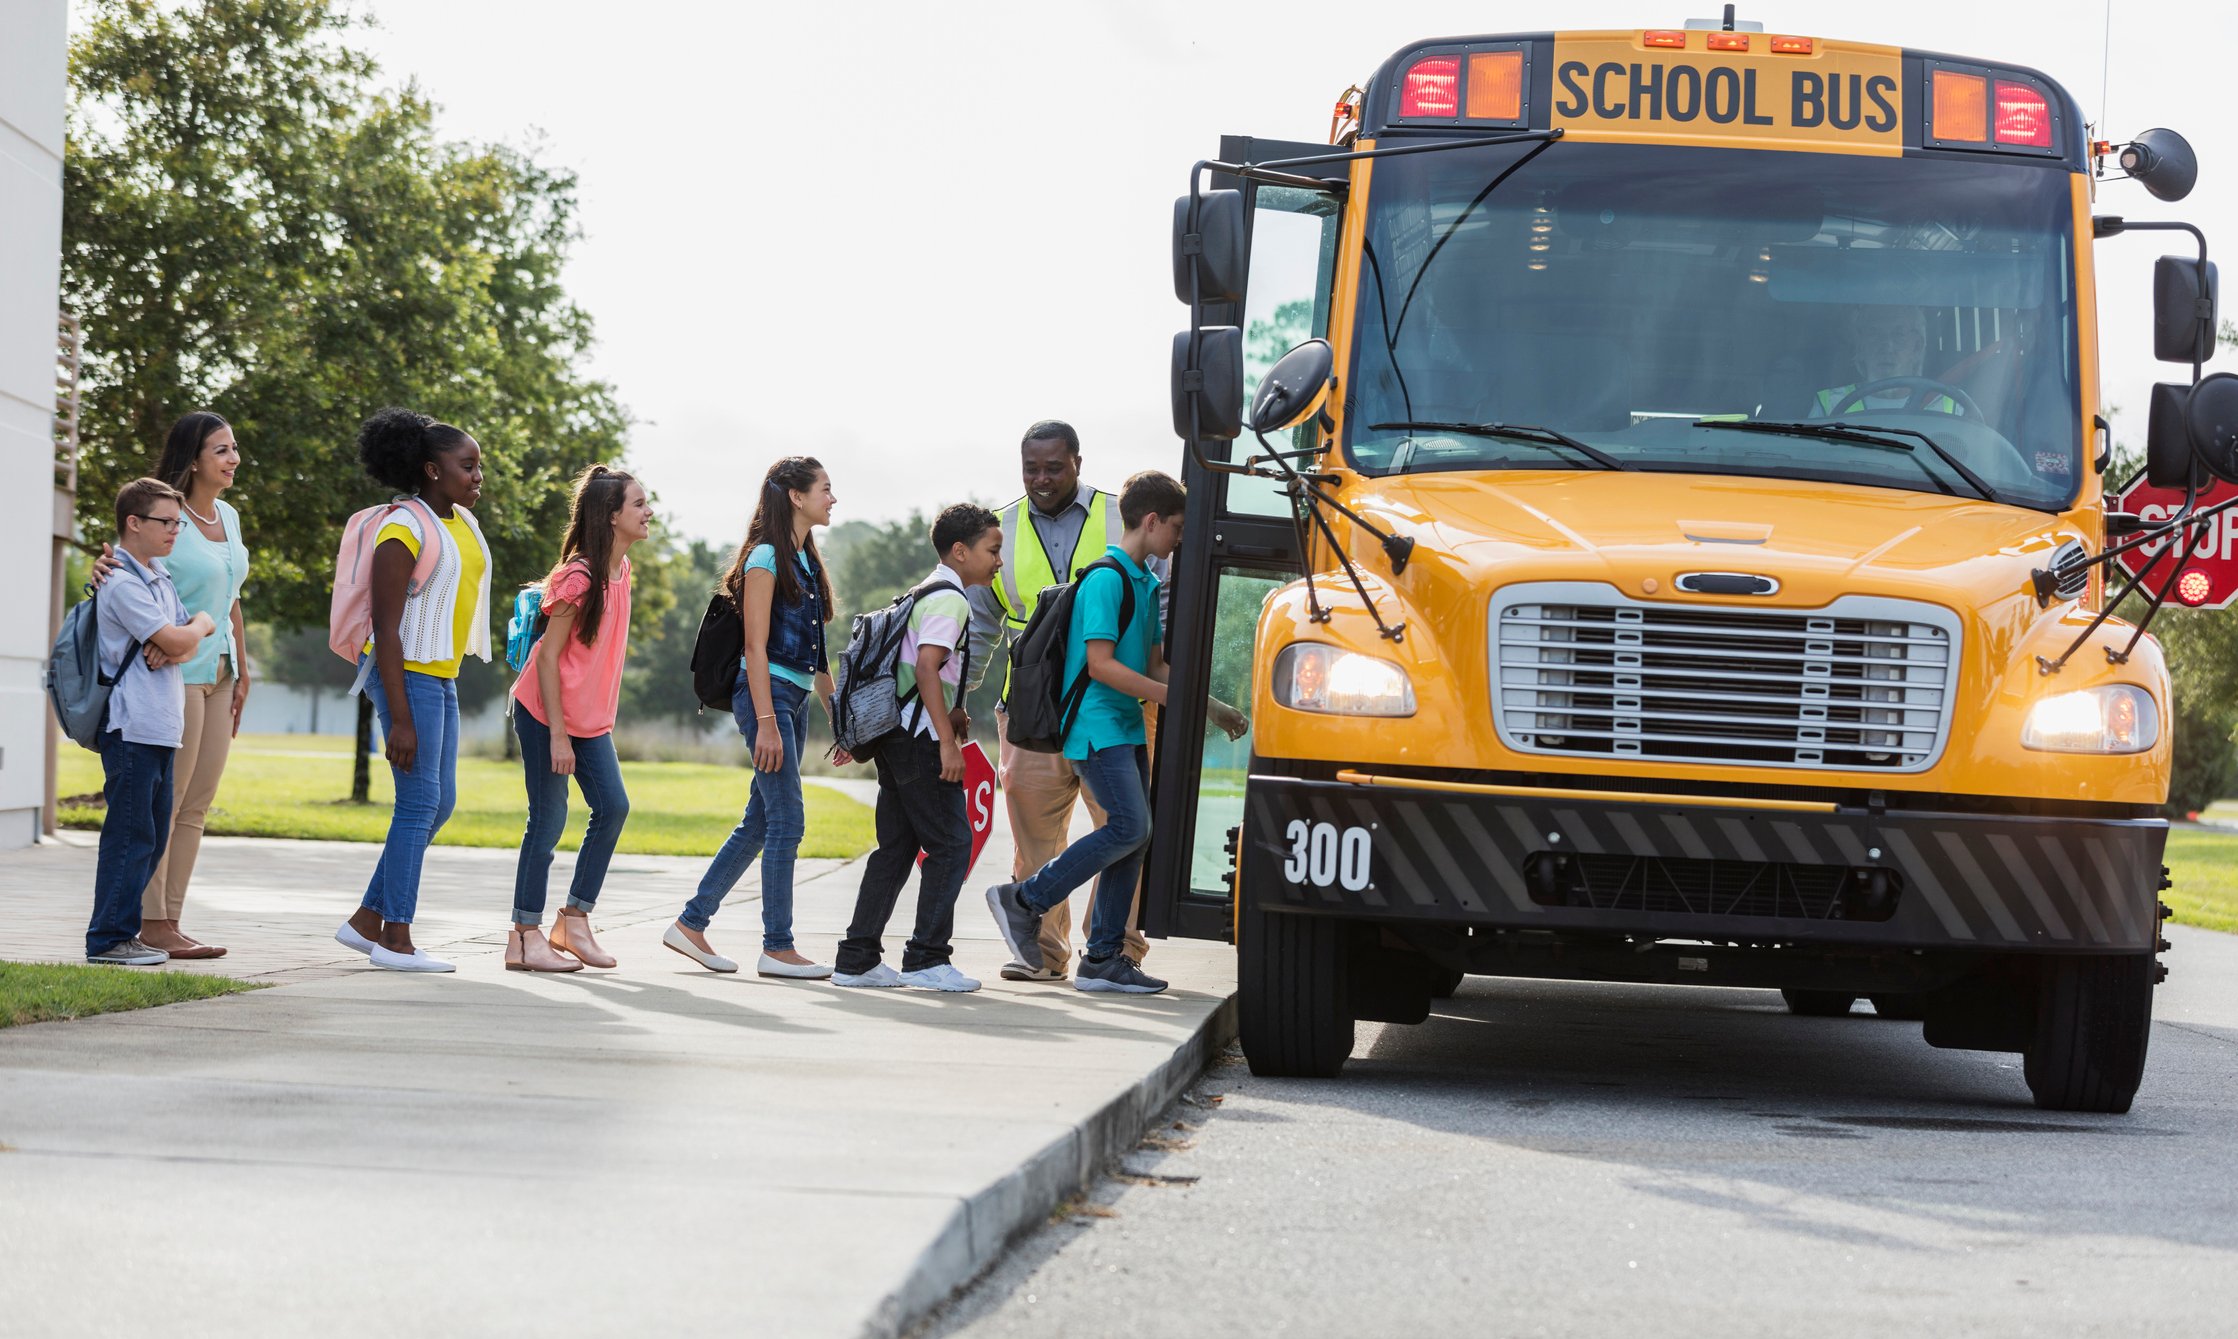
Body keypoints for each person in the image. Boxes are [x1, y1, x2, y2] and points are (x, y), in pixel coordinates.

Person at [985, 471, 1247, 996]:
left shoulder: (1144, 583)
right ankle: (1024, 900)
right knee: (1128, 828)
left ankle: (1103, 958)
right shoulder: (1106, 579)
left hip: (1125, 726)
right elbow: (1100, 665)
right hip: (1095, 728)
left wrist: (1212, 709)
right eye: (1175, 527)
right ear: (1150, 521)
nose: (1178, 538)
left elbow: (1155, 665)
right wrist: (1175, 699)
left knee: (1135, 836)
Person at [967, 420, 1170, 983]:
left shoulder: (1120, 513)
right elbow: (983, 624)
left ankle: (1113, 951)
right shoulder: (1001, 527)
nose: (1041, 479)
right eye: (1031, 468)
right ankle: (1040, 951)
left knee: (1126, 830)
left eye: (1053, 467)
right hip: (1032, 709)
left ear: (1078, 462)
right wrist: (963, 697)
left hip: (1113, 703)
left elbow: (1165, 594)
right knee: (1035, 836)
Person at [665, 457, 844, 978]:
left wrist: (840, 721)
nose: (832, 499)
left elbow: (819, 655)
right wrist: (766, 720)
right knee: (788, 821)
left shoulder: (804, 559)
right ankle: (777, 946)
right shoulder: (766, 557)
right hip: (765, 698)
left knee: (761, 821)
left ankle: (691, 924)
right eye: (825, 490)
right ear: (795, 496)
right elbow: (754, 645)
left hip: (793, 697)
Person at [335, 408, 492, 974]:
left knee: (439, 802)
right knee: (418, 803)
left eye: (480, 467)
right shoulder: (403, 528)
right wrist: (399, 717)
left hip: (441, 674)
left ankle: (365, 922)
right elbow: (386, 626)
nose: (478, 476)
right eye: (466, 466)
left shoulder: (459, 524)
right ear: (430, 469)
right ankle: (395, 939)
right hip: (407, 675)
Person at [830, 503, 1003, 992]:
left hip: (896, 735)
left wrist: (951, 708)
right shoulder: (951, 599)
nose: (998, 562)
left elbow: (921, 671)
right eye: (992, 551)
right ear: (960, 550)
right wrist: (948, 742)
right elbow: (928, 667)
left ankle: (857, 958)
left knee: (897, 849)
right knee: (952, 845)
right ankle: (927, 957)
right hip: (920, 740)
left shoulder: (924, 590)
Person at [507, 465, 651, 973]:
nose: (647, 511)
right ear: (612, 516)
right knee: (547, 820)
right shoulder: (578, 576)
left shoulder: (622, 571)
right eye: (638, 504)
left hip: (589, 721)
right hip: (546, 713)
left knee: (612, 808)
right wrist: (559, 737)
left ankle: (573, 921)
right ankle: (524, 935)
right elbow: (547, 659)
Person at [86, 478, 216, 966]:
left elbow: (190, 631)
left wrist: (192, 629)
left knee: (152, 837)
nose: (175, 531)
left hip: (161, 726)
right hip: (132, 726)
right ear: (133, 523)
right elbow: (182, 637)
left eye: (178, 523)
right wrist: (191, 631)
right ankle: (107, 940)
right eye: (166, 522)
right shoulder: (120, 581)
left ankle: (126, 934)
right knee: (129, 836)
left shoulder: (156, 576)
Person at [1812, 305, 1960, 417]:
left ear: (1917, 347)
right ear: (1861, 347)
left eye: (1898, 335)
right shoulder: (1830, 404)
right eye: (1874, 334)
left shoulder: (1951, 404)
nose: (1887, 347)